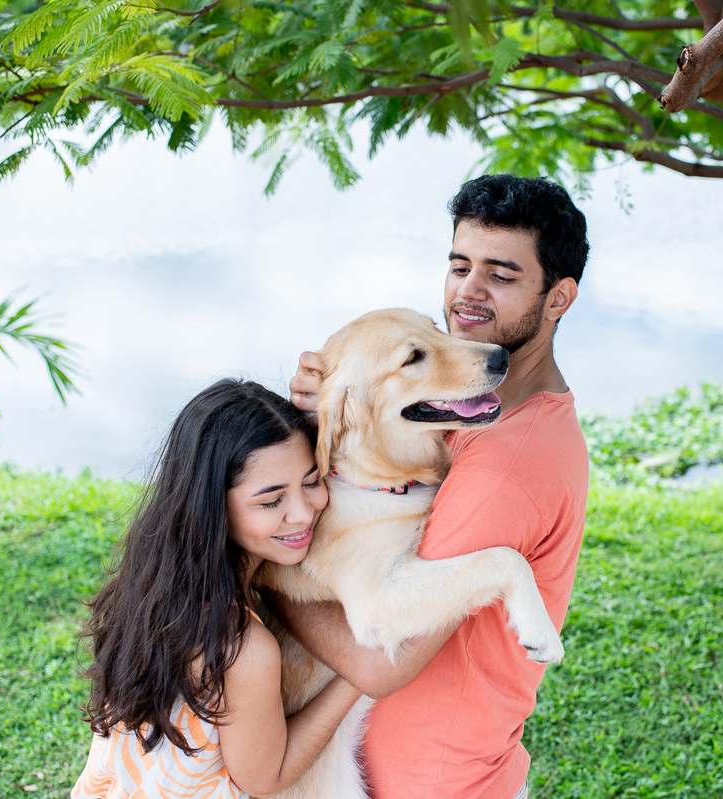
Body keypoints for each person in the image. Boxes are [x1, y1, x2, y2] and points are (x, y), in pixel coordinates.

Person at [279, 174, 591, 799]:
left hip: (431, 783)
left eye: (501, 276)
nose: (468, 295)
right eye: (459, 266)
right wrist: (330, 405)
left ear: (558, 298)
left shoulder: (506, 466)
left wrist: (271, 576)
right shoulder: (467, 412)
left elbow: (376, 657)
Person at [71, 379, 363, 799]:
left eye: (312, 481)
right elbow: (266, 778)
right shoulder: (242, 647)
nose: (302, 512)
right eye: (270, 501)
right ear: (214, 507)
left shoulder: (154, 585)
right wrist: (356, 675)